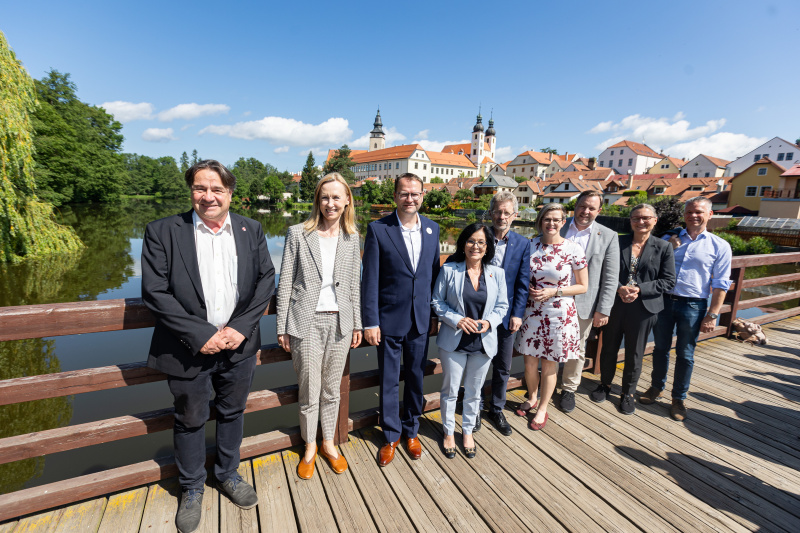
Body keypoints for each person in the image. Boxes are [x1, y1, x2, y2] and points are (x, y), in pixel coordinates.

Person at [142, 160, 275, 533]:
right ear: (191, 192)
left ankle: (228, 474)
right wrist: (202, 335)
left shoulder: (252, 229)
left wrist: (240, 328)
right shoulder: (163, 231)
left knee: (233, 411)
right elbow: (155, 293)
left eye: (217, 189)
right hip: (188, 348)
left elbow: (266, 280)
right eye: (201, 188)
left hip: (238, 346)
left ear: (230, 193)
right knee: (189, 419)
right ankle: (191, 488)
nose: (208, 196)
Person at [276, 172, 362, 480]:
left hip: (341, 321)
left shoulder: (352, 237)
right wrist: (282, 326)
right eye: (325, 197)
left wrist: (358, 324)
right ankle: (309, 446)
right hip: (306, 321)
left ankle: (329, 443)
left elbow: (354, 284)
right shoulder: (298, 233)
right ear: (317, 200)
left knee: (332, 389)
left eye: (337, 197)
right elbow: (285, 281)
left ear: (347, 200)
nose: (330, 203)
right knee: (310, 388)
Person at [362, 173, 441, 466]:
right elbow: (369, 279)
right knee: (389, 380)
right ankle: (392, 435)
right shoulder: (378, 229)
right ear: (395, 196)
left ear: (423, 196)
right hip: (388, 320)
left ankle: (412, 431)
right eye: (404, 194)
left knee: (417, 379)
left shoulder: (433, 230)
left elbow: (434, 279)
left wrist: (433, 315)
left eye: (415, 194)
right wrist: (370, 321)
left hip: (420, 321)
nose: (410, 199)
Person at [640, 197, 732, 421]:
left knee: (686, 353)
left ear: (710, 215)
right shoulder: (667, 239)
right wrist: (667, 249)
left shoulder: (719, 246)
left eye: (699, 212)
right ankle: (656, 387)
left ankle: (678, 398)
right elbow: (646, 264)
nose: (693, 216)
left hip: (693, 304)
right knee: (660, 348)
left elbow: (721, 283)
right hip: (664, 301)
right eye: (689, 212)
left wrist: (712, 314)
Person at [590, 204, 676, 415]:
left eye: (646, 218)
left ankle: (628, 393)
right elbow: (603, 270)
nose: (641, 222)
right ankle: (605, 385)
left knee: (635, 353)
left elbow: (669, 280)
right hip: (615, 303)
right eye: (636, 218)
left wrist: (639, 289)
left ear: (654, 220)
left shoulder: (664, 247)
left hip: (644, 309)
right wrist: (619, 288)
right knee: (608, 348)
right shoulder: (617, 242)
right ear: (630, 221)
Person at [432, 223, 508, 458]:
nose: (475, 246)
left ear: (487, 247)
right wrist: (456, 319)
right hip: (455, 341)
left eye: (481, 242)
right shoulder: (450, 270)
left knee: (475, 392)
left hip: (483, 342)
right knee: (450, 391)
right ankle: (447, 432)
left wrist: (490, 322)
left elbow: (502, 306)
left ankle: (467, 432)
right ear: (463, 243)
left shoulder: (498, 273)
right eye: (471, 241)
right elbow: (437, 302)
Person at [515, 204, 588, 430]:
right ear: (540, 220)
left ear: (563, 222)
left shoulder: (573, 249)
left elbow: (583, 286)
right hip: (531, 312)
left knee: (548, 365)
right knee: (529, 362)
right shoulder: (530, 245)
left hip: (559, 315)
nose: (551, 223)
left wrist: (553, 291)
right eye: (547, 219)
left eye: (556, 219)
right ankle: (532, 398)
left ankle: (543, 408)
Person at [559, 190, 619, 413]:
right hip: (554, 298)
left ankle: (568, 388)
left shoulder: (608, 235)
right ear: (575, 206)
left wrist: (603, 309)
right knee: (549, 341)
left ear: (599, 211)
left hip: (585, 302)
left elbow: (610, 277)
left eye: (591, 208)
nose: (585, 211)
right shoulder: (557, 225)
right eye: (582, 206)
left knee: (576, 346)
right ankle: (545, 383)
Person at [474, 191, 530, 436]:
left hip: (506, 316)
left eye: (507, 212)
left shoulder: (522, 243)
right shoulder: (478, 237)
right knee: (476, 365)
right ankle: (473, 408)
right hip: (478, 314)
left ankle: (496, 408)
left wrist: (518, 313)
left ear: (515, 215)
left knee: (503, 366)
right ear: (491, 213)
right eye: (497, 211)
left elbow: (522, 282)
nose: (502, 216)